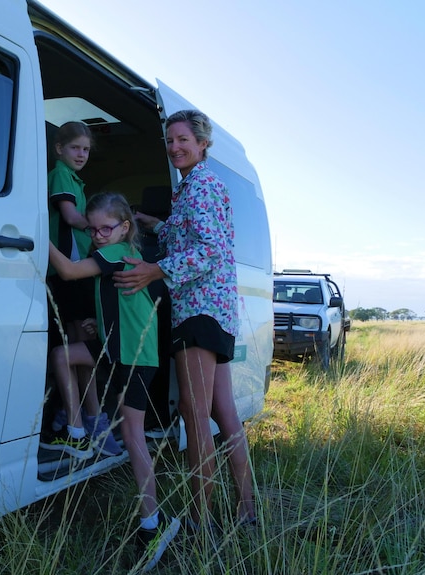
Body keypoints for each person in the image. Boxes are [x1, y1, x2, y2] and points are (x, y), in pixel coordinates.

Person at [112, 110, 257, 530]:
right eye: (169, 141)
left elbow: (209, 250)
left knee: (195, 416)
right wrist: (152, 223)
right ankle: (246, 507)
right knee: (223, 412)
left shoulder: (202, 186)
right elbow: (190, 236)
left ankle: (200, 519)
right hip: (217, 312)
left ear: (202, 143)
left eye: (182, 140)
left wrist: (155, 270)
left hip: (198, 311)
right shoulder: (195, 187)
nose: (174, 147)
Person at [42, 192, 181, 570]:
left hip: (134, 359)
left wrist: (38, 235)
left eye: (107, 228)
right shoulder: (113, 256)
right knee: (62, 355)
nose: (99, 234)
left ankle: (154, 524)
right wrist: (96, 325)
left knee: (134, 437)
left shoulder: (117, 252)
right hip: (112, 350)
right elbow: (120, 307)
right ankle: (75, 431)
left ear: (123, 227)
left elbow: (68, 272)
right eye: (93, 228)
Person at [46, 121, 121, 456]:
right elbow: (70, 216)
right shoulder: (61, 175)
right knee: (77, 347)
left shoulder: (74, 180)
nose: (81, 154)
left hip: (72, 274)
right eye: (75, 147)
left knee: (77, 347)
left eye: (86, 149)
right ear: (59, 149)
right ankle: (88, 418)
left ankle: (81, 417)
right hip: (66, 271)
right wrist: (101, 227)